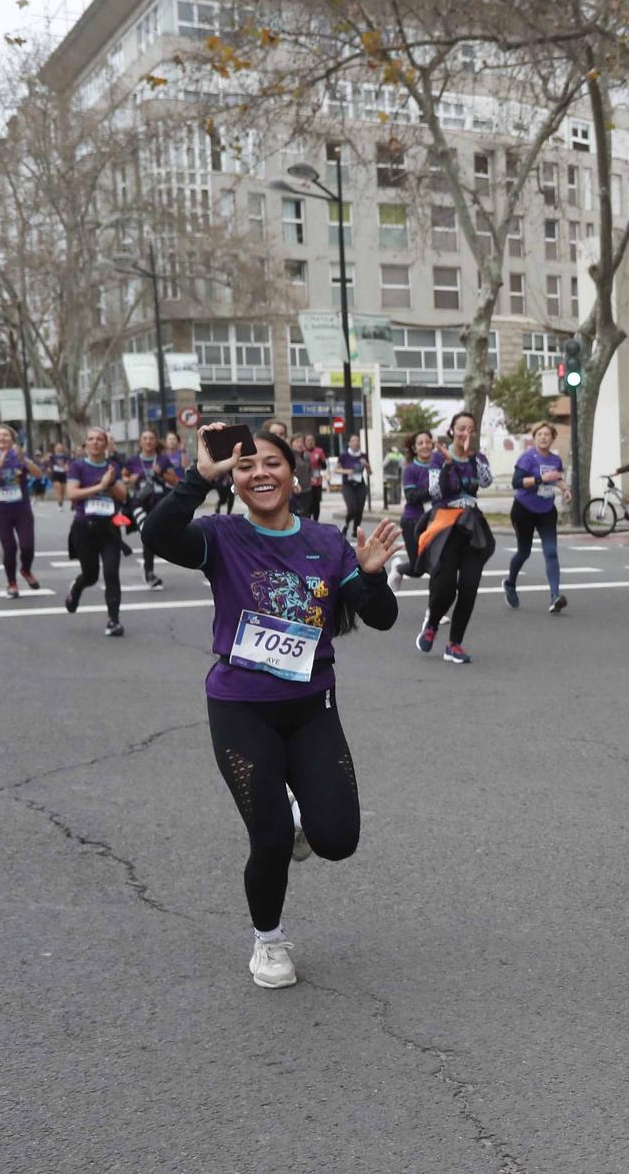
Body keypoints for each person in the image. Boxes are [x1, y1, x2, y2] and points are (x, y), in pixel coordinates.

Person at [141, 423, 401, 989]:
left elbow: (379, 616)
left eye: (272, 463)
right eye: (245, 466)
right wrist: (197, 477)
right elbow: (158, 534)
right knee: (272, 838)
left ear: (294, 474)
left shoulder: (328, 542)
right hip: (241, 709)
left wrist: (373, 577)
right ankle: (269, 941)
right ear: (233, 481)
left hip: (312, 707)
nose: (260, 472)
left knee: (337, 840)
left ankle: (302, 811)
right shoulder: (220, 536)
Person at [412, 413, 494, 663]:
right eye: (461, 429)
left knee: (469, 586)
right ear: (452, 431)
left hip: (471, 525)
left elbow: (486, 482)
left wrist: (471, 458)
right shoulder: (438, 457)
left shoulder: (477, 458)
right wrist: (448, 464)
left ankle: (454, 644)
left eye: (470, 429)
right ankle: (432, 624)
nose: (465, 433)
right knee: (445, 586)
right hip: (446, 524)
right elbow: (435, 491)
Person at [64, 428, 128, 635]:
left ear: (106, 444)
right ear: (86, 444)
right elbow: (72, 494)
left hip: (109, 529)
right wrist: (100, 485)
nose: (95, 443)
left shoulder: (113, 467)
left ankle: (114, 620)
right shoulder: (78, 466)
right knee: (91, 576)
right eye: (91, 439)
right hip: (84, 528)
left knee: (111, 573)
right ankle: (76, 588)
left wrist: (109, 484)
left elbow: (123, 496)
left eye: (100, 439)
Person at [504, 422, 570, 614]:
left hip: (547, 510)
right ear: (535, 437)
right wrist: (541, 479)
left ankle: (555, 596)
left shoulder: (556, 460)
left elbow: (557, 478)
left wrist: (565, 490)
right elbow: (516, 482)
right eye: (540, 434)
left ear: (552, 438)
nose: (543, 437)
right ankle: (510, 583)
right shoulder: (527, 458)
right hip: (523, 510)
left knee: (551, 552)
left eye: (547, 434)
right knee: (523, 552)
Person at [0, 425, 44, 598]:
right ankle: (12, 583)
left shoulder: (19, 456)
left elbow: (38, 474)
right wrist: (0, 462)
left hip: (22, 509)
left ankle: (26, 570)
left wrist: (25, 460)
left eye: (5, 436)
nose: (1, 438)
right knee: (9, 547)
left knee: (27, 546)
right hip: (0, 511)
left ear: (12, 440)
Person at [387, 430, 434, 591]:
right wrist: (434, 490)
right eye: (420, 443)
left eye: (427, 442)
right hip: (413, 521)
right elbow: (411, 497)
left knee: (437, 566)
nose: (425, 446)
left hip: (436, 521)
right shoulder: (410, 470)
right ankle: (398, 569)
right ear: (414, 448)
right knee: (417, 569)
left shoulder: (440, 466)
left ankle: (434, 613)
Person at [122, 429, 168, 585]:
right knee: (147, 534)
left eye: (151, 438)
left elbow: (175, 481)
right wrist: (129, 480)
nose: (148, 441)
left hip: (159, 503)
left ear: (155, 442)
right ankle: (149, 573)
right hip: (139, 503)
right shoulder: (133, 461)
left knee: (155, 537)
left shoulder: (163, 460)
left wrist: (161, 473)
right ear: (140, 442)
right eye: (145, 438)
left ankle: (149, 571)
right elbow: (122, 479)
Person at [337, 434, 371, 539]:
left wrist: (366, 465)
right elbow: (336, 469)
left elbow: (370, 472)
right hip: (348, 485)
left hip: (360, 485)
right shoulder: (344, 456)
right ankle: (346, 525)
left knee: (359, 510)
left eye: (357, 441)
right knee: (352, 509)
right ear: (349, 443)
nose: (355, 443)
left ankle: (356, 529)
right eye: (353, 441)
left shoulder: (363, 456)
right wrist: (346, 471)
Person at [291, 434, 320, 521]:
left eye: (301, 442)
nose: (300, 444)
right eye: (297, 442)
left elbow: (310, 469)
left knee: (306, 515)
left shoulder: (306, 455)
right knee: (295, 515)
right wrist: (295, 484)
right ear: (292, 443)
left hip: (307, 489)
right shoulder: (289, 455)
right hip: (293, 490)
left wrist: (313, 477)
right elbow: (288, 472)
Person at [48, 441, 69, 510]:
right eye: (57, 447)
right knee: (58, 489)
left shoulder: (65, 456)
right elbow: (49, 464)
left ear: (62, 448)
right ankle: (59, 506)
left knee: (62, 491)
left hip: (63, 474)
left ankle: (61, 503)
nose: (59, 448)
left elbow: (67, 464)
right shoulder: (52, 456)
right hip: (55, 474)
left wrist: (66, 467)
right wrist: (49, 468)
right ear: (55, 448)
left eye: (60, 447)